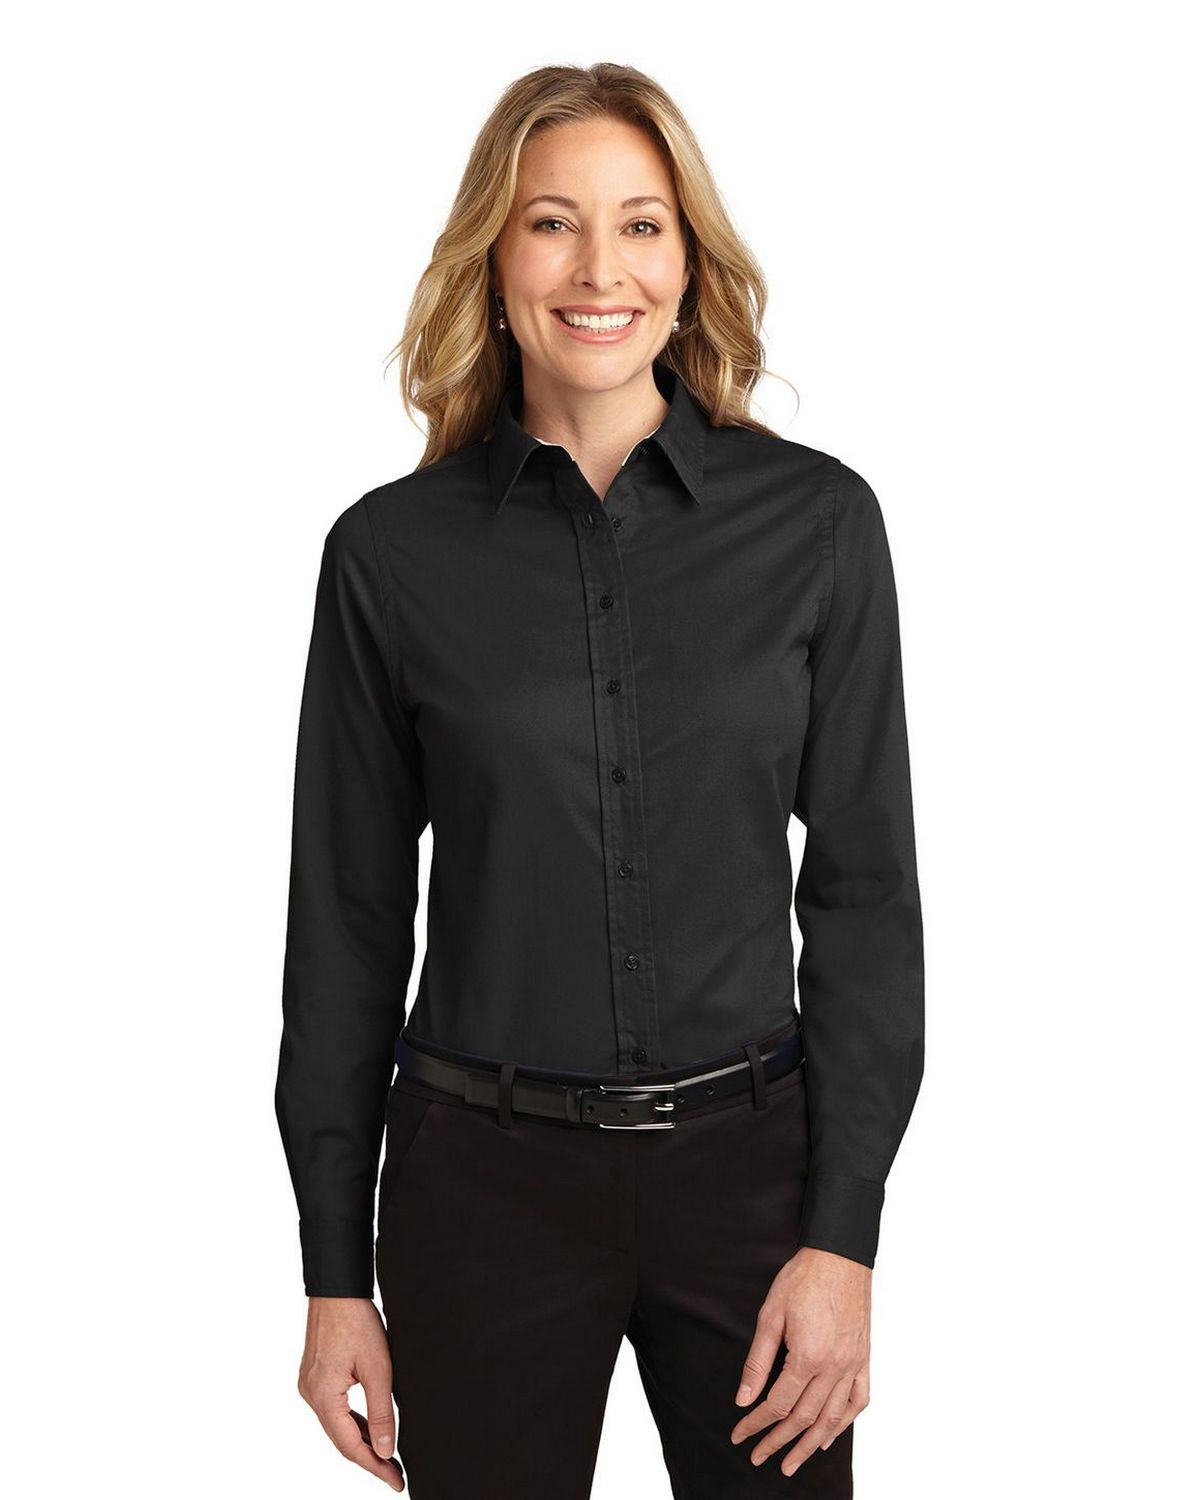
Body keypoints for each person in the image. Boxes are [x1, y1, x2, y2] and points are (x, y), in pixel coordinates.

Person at [274, 62, 924, 1500]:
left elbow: (867, 900)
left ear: (688, 263)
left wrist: (843, 1236)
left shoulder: (818, 527)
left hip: (754, 1190)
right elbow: (347, 928)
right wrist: (333, 1274)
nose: (597, 270)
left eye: (640, 225)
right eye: (551, 223)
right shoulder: (388, 559)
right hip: (481, 1192)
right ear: (493, 260)